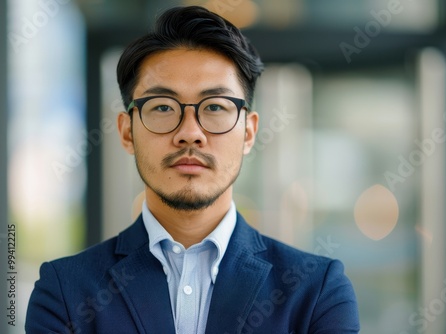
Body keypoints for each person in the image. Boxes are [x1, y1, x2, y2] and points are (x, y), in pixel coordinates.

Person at [26, 6, 359, 333]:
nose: (190, 132)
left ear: (248, 132)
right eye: (162, 107)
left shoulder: (317, 292)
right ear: (127, 131)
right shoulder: (65, 293)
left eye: (215, 106)